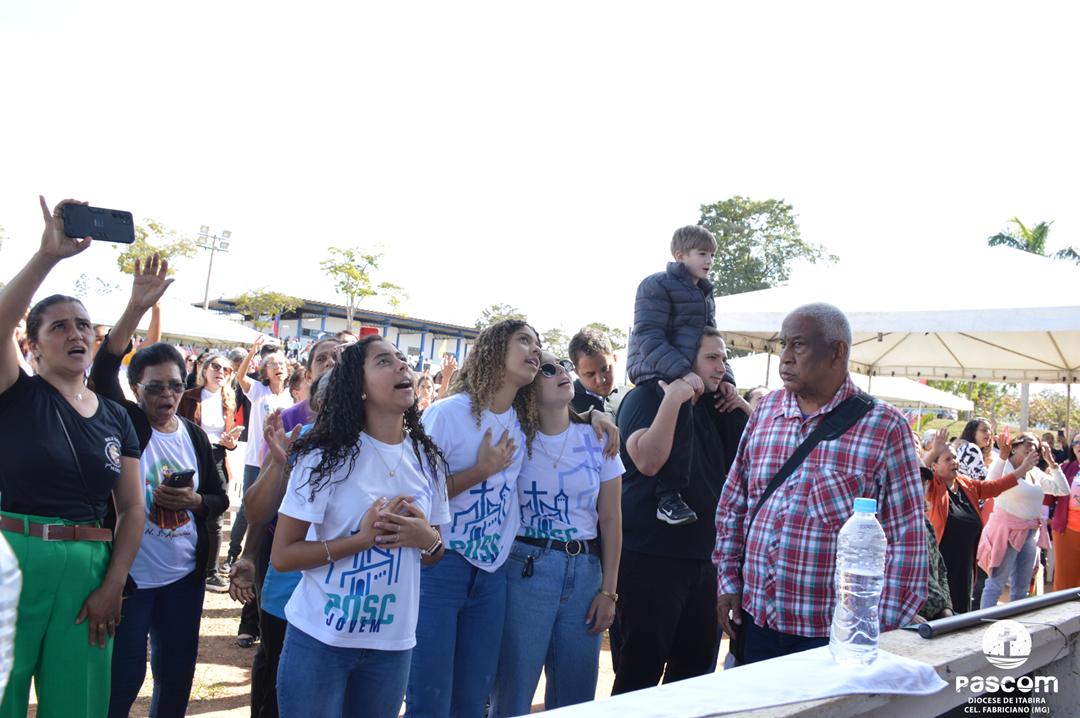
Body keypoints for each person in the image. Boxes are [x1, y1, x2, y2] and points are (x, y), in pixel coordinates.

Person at [405, 320, 617, 717]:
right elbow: (414, 498)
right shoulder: (447, 414)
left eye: (538, 345)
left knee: (473, 699)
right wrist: (480, 471)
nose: (535, 350)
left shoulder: (522, 424)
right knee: (430, 697)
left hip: (492, 574)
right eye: (524, 341)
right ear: (494, 349)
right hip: (442, 565)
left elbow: (560, 421)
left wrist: (593, 415)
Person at [714, 303, 926, 665]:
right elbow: (733, 504)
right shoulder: (766, 412)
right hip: (755, 623)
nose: (785, 357)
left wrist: (872, 633)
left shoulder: (885, 427)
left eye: (798, 345)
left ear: (836, 352)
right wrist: (728, 582)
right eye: (783, 344)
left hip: (830, 637)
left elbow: (907, 540)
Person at [0, 196, 144, 718]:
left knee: (77, 702)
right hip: (14, 557)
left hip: (89, 568)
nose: (76, 332)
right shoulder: (16, 392)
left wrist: (113, 582)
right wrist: (47, 257)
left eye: (83, 324)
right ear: (33, 346)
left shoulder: (116, 416)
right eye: (58, 327)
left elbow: (133, 508)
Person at [271, 337, 450, 718]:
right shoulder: (322, 457)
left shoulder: (428, 459)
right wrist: (361, 540)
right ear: (359, 386)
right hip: (320, 640)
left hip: (391, 647)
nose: (402, 365)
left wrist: (427, 539)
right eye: (384, 361)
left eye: (401, 358)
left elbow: (434, 554)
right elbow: (283, 556)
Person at [614, 327, 748, 692]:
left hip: (705, 562)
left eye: (724, 359)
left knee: (693, 680)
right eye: (712, 357)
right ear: (685, 357)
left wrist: (744, 408)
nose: (721, 367)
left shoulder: (718, 405)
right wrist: (674, 398)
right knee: (639, 675)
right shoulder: (647, 395)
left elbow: (756, 466)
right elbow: (648, 462)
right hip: (651, 560)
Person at [491, 354, 623, 715]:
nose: (562, 372)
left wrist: (609, 591)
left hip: (586, 573)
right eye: (547, 370)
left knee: (575, 699)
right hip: (526, 570)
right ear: (529, 387)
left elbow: (611, 519)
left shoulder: (599, 437)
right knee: (513, 692)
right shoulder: (513, 439)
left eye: (562, 364)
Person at [625, 225, 736, 526]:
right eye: (702, 253)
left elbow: (712, 337)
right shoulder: (655, 285)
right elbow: (648, 336)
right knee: (681, 407)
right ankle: (668, 495)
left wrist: (727, 380)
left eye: (712, 255)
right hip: (657, 370)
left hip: (688, 373)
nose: (709, 260)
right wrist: (682, 373)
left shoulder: (705, 293)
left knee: (728, 408)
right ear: (680, 255)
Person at [229, 337, 294, 647]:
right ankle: (236, 551)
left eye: (282, 364)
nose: (278, 367)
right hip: (257, 461)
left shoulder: (292, 399)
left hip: (281, 466)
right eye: (273, 364)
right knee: (249, 512)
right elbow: (240, 377)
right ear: (265, 371)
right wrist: (252, 353)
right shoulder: (259, 391)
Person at [925, 441, 1032, 613]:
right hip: (941, 567)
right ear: (935, 466)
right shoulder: (931, 487)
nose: (954, 462)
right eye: (947, 459)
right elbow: (915, 475)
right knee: (943, 614)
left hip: (965, 566)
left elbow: (996, 486)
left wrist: (1021, 469)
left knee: (961, 613)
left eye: (955, 457)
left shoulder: (965, 484)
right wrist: (932, 452)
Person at [977, 433, 1069, 608]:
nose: (1031, 447)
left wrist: (1052, 463)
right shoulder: (1004, 465)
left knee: (1022, 588)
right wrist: (1003, 456)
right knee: (996, 584)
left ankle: (1015, 621)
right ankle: (983, 622)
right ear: (1014, 447)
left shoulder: (1034, 472)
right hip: (1006, 533)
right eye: (1027, 443)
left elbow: (1062, 490)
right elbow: (989, 485)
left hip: (1030, 534)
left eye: (1035, 446)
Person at [177, 351, 239, 590]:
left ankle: (211, 572)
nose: (221, 372)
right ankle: (188, 565)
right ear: (204, 370)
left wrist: (230, 443)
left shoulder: (229, 400)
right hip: (191, 458)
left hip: (218, 458)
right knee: (188, 511)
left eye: (226, 369)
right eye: (216, 366)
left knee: (216, 515)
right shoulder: (189, 396)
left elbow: (230, 437)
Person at [916, 467, 953, 622]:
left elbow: (940, 569)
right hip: (907, 620)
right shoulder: (885, 525)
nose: (919, 487)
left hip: (935, 614)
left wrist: (947, 607)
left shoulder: (924, 522)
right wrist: (906, 614)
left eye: (922, 482)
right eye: (914, 481)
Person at [568, 327, 619, 417]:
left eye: (605, 369)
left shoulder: (629, 398)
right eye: (590, 374)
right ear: (576, 372)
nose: (600, 380)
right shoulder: (566, 405)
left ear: (615, 359)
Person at [1052, 434, 1080, 590]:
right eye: (1076, 442)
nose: (1079, 445)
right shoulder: (1065, 468)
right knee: (1065, 578)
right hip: (1067, 531)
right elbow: (1049, 496)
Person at [954, 418, 993, 483]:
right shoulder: (971, 449)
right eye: (984, 430)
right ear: (973, 432)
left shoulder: (966, 447)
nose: (989, 433)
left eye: (990, 430)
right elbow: (984, 481)